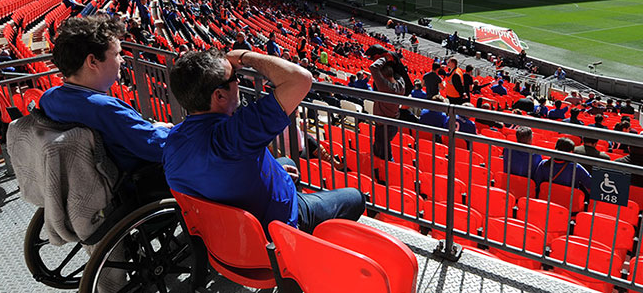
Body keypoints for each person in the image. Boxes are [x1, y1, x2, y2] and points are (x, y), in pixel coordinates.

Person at [164, 48, 365, 233]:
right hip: (274, 226)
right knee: (356, 197)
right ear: (219, 95)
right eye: (235, 76)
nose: (239, 82)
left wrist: (276, 173)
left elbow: (219, 171)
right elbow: (300, 79)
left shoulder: (173, 139)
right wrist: (243, 56)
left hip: (225, 228)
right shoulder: (239, 133)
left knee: (287, 163)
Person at [39, 16, 172, 175]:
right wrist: (162, 130)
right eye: (116, 54)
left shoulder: (48, 98)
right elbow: (160, 147)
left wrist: (151, 129)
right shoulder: (105, 109)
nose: (122, 60)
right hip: (142, 182)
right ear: (92, 62)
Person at [369, 52, 406, 160]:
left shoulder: (386, 87)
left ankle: (386, 172)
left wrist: (385, 58)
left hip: (384, 125)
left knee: (384, 155)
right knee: (380, 150)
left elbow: (373, 67)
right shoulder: (401, 83)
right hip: (392, 123)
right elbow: (399, 72)